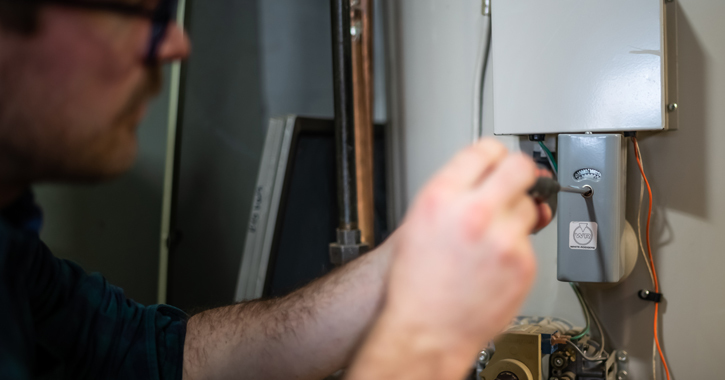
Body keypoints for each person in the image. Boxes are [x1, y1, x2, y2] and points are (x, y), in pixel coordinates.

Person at [0, 0, 552, 379]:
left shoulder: (14, 252)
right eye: (143, 14)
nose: (176, 43)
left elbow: (171, 359)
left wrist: (403, 262)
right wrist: (420, 344)